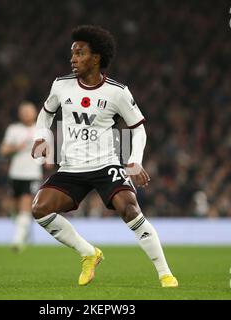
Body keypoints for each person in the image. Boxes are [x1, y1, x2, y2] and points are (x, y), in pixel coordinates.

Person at [31, 25, 178, 287]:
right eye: (72, 53)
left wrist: (134, 160)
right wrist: (41, 136)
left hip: (106, 163)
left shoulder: (117, 92)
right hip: (71, 166)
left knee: (130, 208)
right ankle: (88, 253)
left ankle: (165, 273)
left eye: (79, 53)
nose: (73, 58)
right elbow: (46, 112)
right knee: (40, 209)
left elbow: (138, 128)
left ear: (96, 57)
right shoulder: (61, 85)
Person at [0, 101, 46, 252]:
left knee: (25, 205)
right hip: (15, 173)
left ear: (35, 113)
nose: (26, 114)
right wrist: (16, 148)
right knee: (13, 209)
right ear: (20, 114)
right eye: (23, 111)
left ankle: (17, 242)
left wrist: (47, 159)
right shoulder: (13, 129)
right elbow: (3, 150)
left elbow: (47, 151)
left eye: (29, 111)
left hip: (32, 174)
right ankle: (23, 231)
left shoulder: (41, 130)